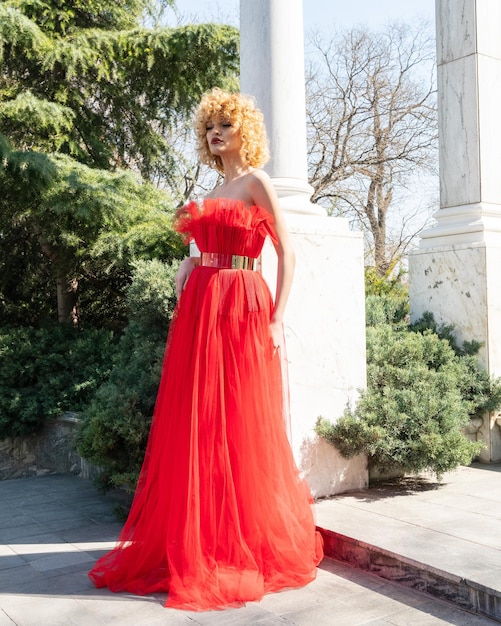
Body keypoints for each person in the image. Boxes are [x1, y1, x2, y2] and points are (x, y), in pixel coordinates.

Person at [88, 87, 323, 611]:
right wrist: (191, 260)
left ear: (245, 131)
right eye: (210, 128)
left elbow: (287, 252)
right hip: (202, 308)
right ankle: (207, 538)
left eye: (226, 126)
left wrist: (279, 318)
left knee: (239, 419)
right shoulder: (216, 186)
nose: (216, 134)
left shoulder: (257, 181)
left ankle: (244, 539)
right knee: (202, 420)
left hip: (242, 305)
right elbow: (207, 243)